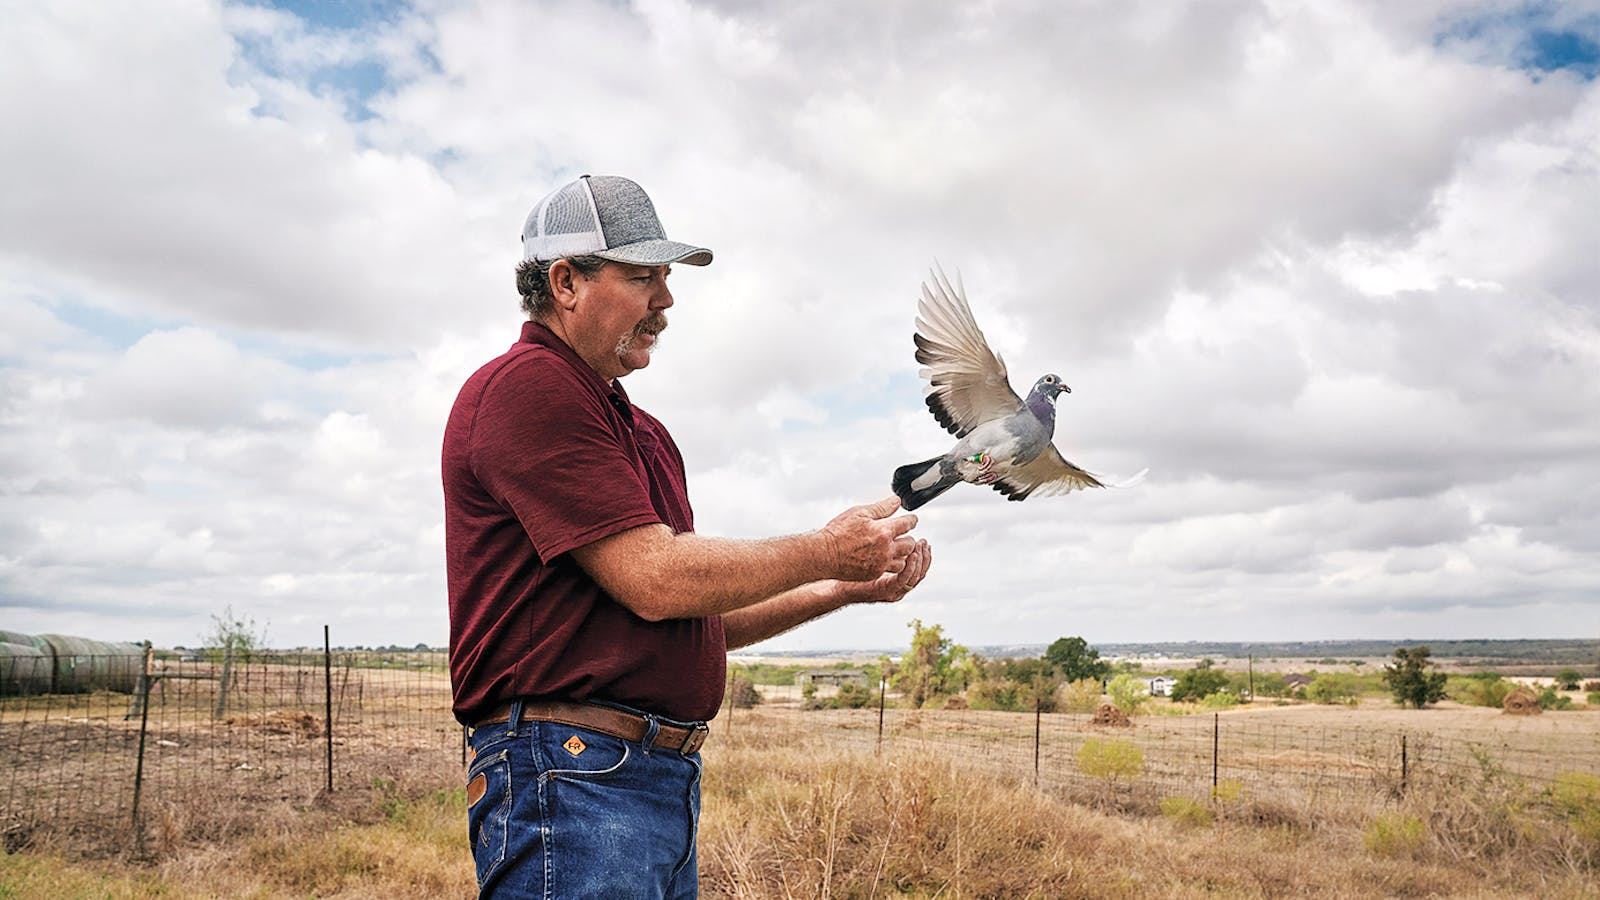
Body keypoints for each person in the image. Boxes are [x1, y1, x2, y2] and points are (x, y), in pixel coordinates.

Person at [442, 174, 932, 899]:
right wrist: (826, 548)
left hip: (643, 781)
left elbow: (693, 618)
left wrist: (841, 586)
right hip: (571, 775)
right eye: (642, 277)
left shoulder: (637, 428)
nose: (665, 301)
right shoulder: (529, 387)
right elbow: (658, 578)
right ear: (566, 282)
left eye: (666, 279)